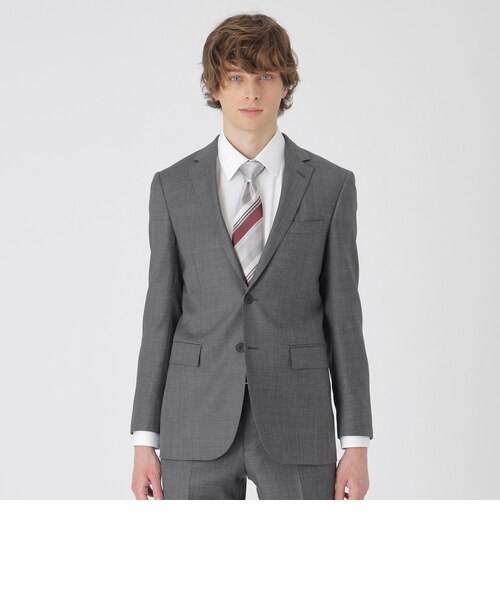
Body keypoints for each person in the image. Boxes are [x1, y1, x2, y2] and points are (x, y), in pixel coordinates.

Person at [130, 13, 373, 500]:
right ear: (215, 86)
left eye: (265, 76)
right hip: (195, 419)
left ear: (286, 85)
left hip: (297, 418)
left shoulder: (330, 186)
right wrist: (144, 439)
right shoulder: (173, 187)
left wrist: (356, 443)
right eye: (236, 77)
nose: (251, 92)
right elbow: (160, 314)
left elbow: (344, 317)